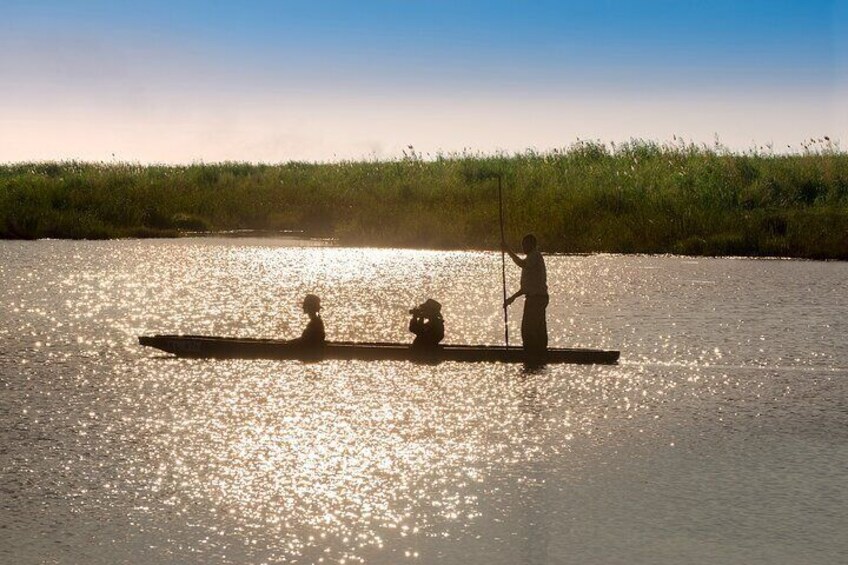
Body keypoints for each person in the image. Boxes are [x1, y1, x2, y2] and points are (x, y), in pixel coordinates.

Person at [503, 234, 548, 358]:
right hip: (537, 297)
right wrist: (512, 298)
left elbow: (521, 264)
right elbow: (525, 288)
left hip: (536, 299)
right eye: (522, 244)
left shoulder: (534, 256)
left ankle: (533, 355)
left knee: (528, 329)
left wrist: (508, 251)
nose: (523, 247)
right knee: (538, 328)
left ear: (532, 245)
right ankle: (539, 353)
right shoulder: (531, 259)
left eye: (525, 244)